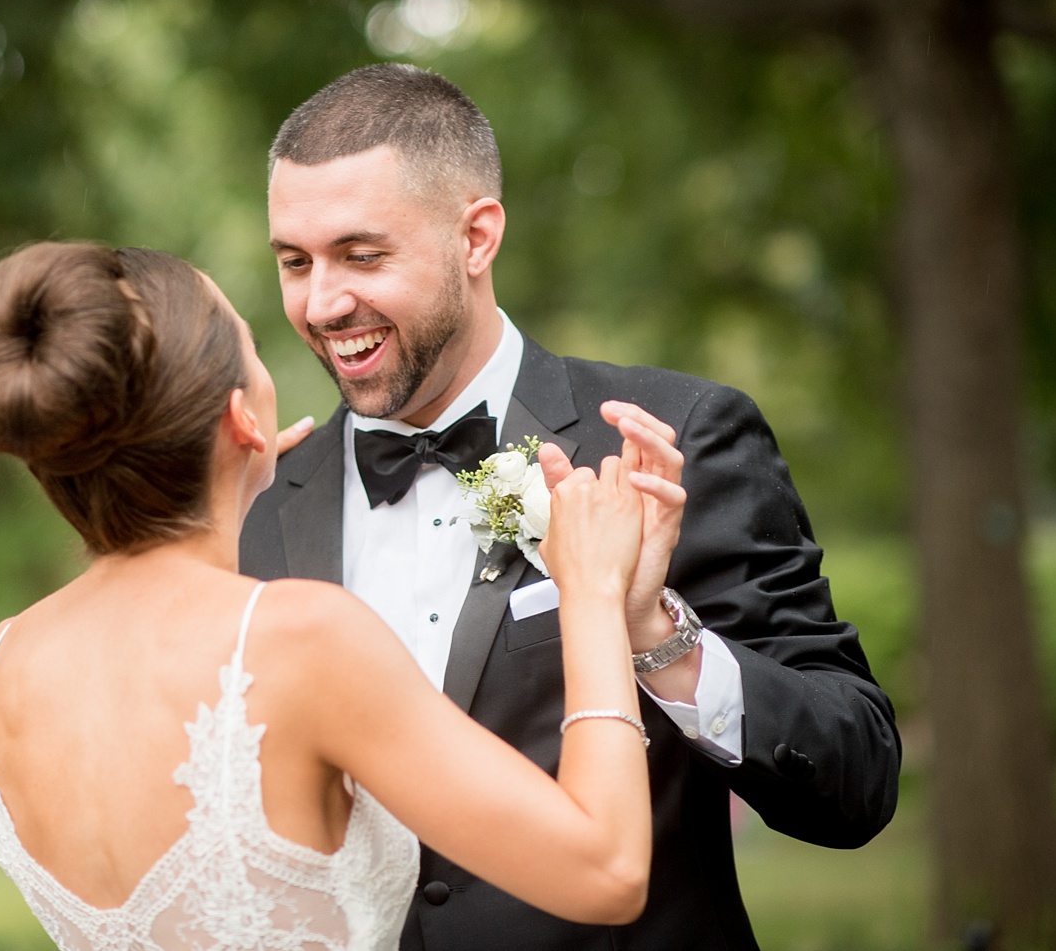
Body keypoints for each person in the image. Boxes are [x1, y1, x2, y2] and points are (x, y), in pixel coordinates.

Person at [241, 64, 902, 951]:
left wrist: (657, 637)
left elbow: (855, 780)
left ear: (476, 237)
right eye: (295, 262)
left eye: (362, 255)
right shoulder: (262, 508)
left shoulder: (677, 439)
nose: (323, 303)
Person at [0, 241, 687, 951]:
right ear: (242, 417)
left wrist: (235, 487)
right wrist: (589, 590)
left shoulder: (4, 660)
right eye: (252, 350)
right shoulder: (297, 638)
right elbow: (607, 870)